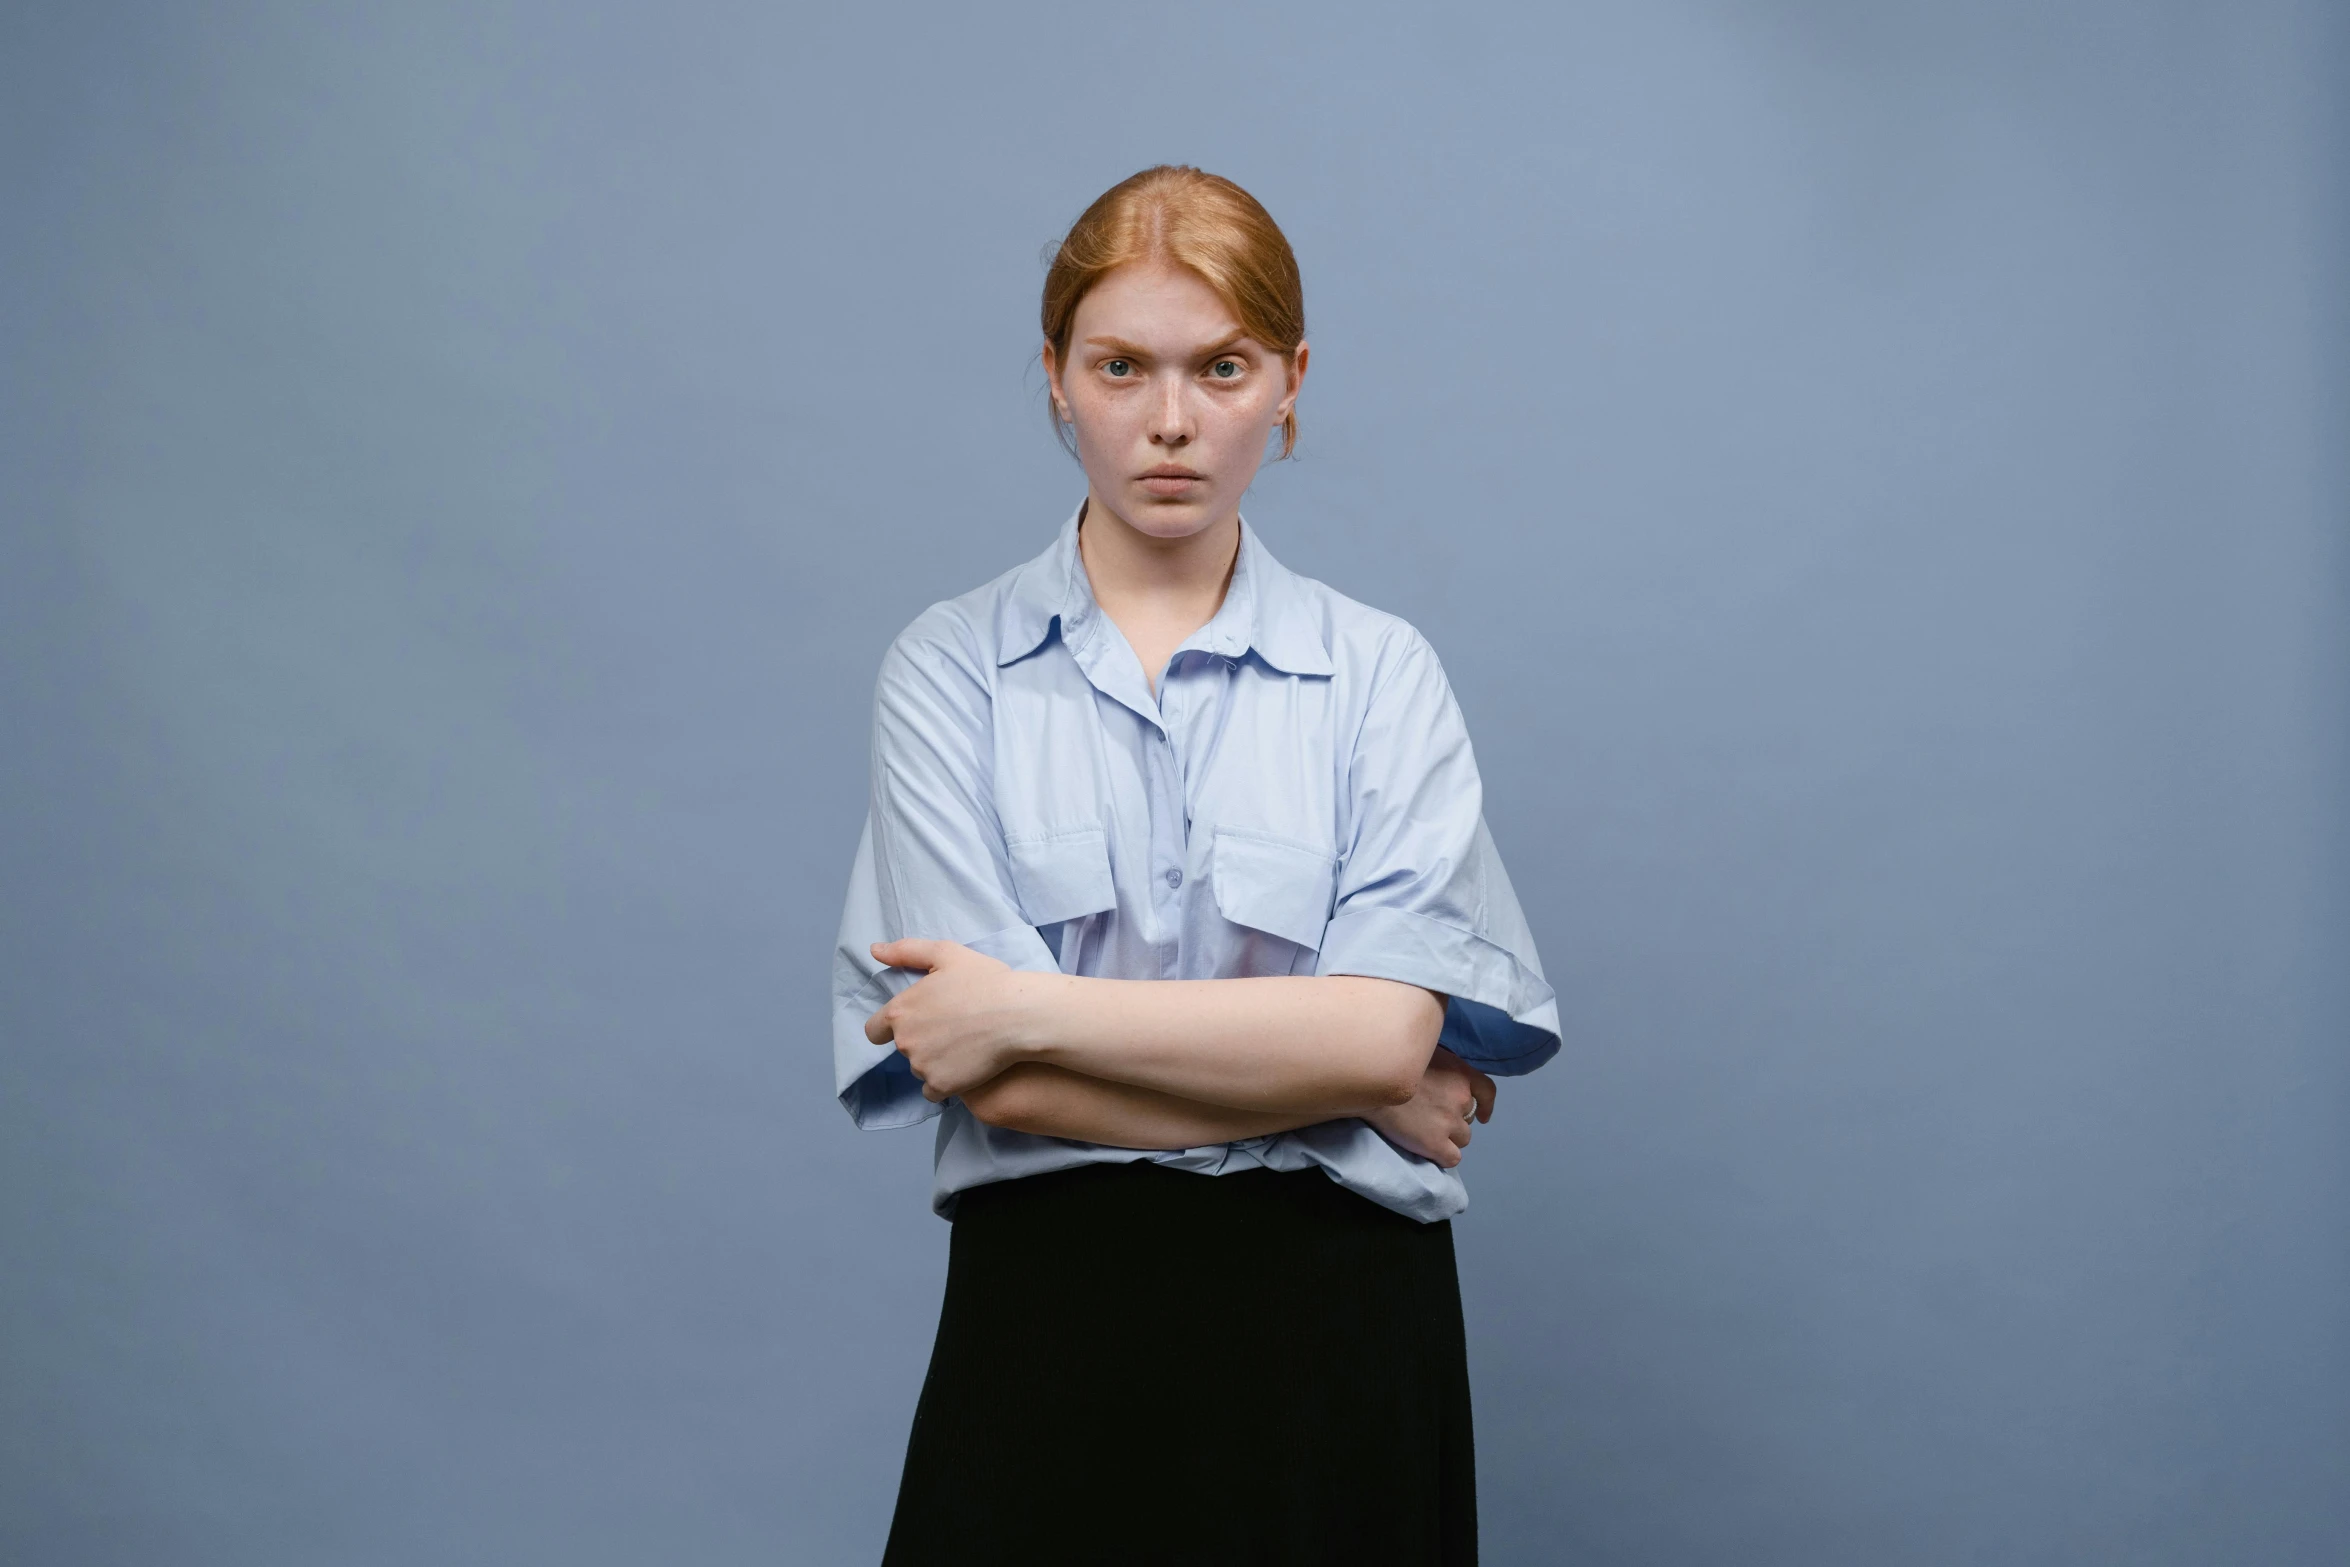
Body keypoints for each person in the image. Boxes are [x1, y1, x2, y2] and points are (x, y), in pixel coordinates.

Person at [831, 165, 1560, 1566]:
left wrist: (1032, 1007)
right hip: (1046, 1327)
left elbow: (1383, 1031)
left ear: (1289, 382)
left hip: (1341, 1338)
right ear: (1054, 378)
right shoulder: (948, 672)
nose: (1170, 419)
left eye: (1220, 367)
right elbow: (982, 1073)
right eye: (1121, 366)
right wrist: (1338, 1079)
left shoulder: (1379, 674)